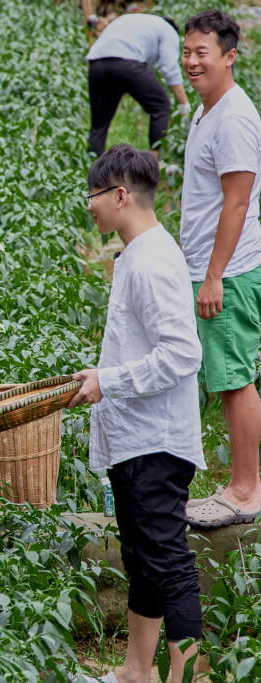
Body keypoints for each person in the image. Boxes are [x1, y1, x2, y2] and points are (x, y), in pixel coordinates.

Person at [69, 143, 203, 683]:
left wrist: (110, 381)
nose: (90, 207)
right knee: (144, 560)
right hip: (138, 439)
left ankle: (189, 677)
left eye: (94, 196)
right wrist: (102, 376)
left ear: (120, 195)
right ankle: (135, 671)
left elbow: (182, 352)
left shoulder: (149, 261)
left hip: (155, 443)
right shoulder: (139, 253)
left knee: (168, 565)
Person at [177, 9, 261, 529]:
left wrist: (213, 276)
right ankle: (240, 481)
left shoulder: (232, 117)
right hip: (213, 264)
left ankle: (247, 489)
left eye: (201, 53)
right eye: (186, 52)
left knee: (235, 380)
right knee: (227, 376)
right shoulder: (206, 111)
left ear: (229, 57)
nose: (190, 61)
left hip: (228, 271)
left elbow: (236, 202)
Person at [86, 13, 190, 157]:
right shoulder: (168, 30)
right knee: (160, 107)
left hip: (97, 63)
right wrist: (184, 104)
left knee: (99, 125)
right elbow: (169, 68)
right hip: (127, 63)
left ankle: (91, 164)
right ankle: (154, 162)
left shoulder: (137, 20)